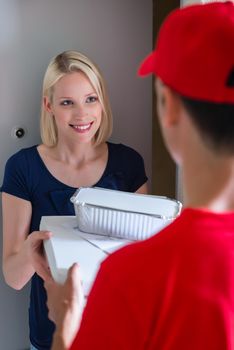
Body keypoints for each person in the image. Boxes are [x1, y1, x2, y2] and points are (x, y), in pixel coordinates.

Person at [45, 2, 234, 349]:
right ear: (50, 106)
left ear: (170, 107)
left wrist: (64, 327)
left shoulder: (130, 276)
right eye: (67, 102)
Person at [1, 50, 148, 350]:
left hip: (118, 335)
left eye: (90, 99)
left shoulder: (128, 163)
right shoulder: (23, 168)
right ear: (49, 105)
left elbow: (143, 264)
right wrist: (31, 253)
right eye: (67, 102)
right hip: (50, 338)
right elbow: (13, 279)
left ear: (102, 101)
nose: (82, 115)